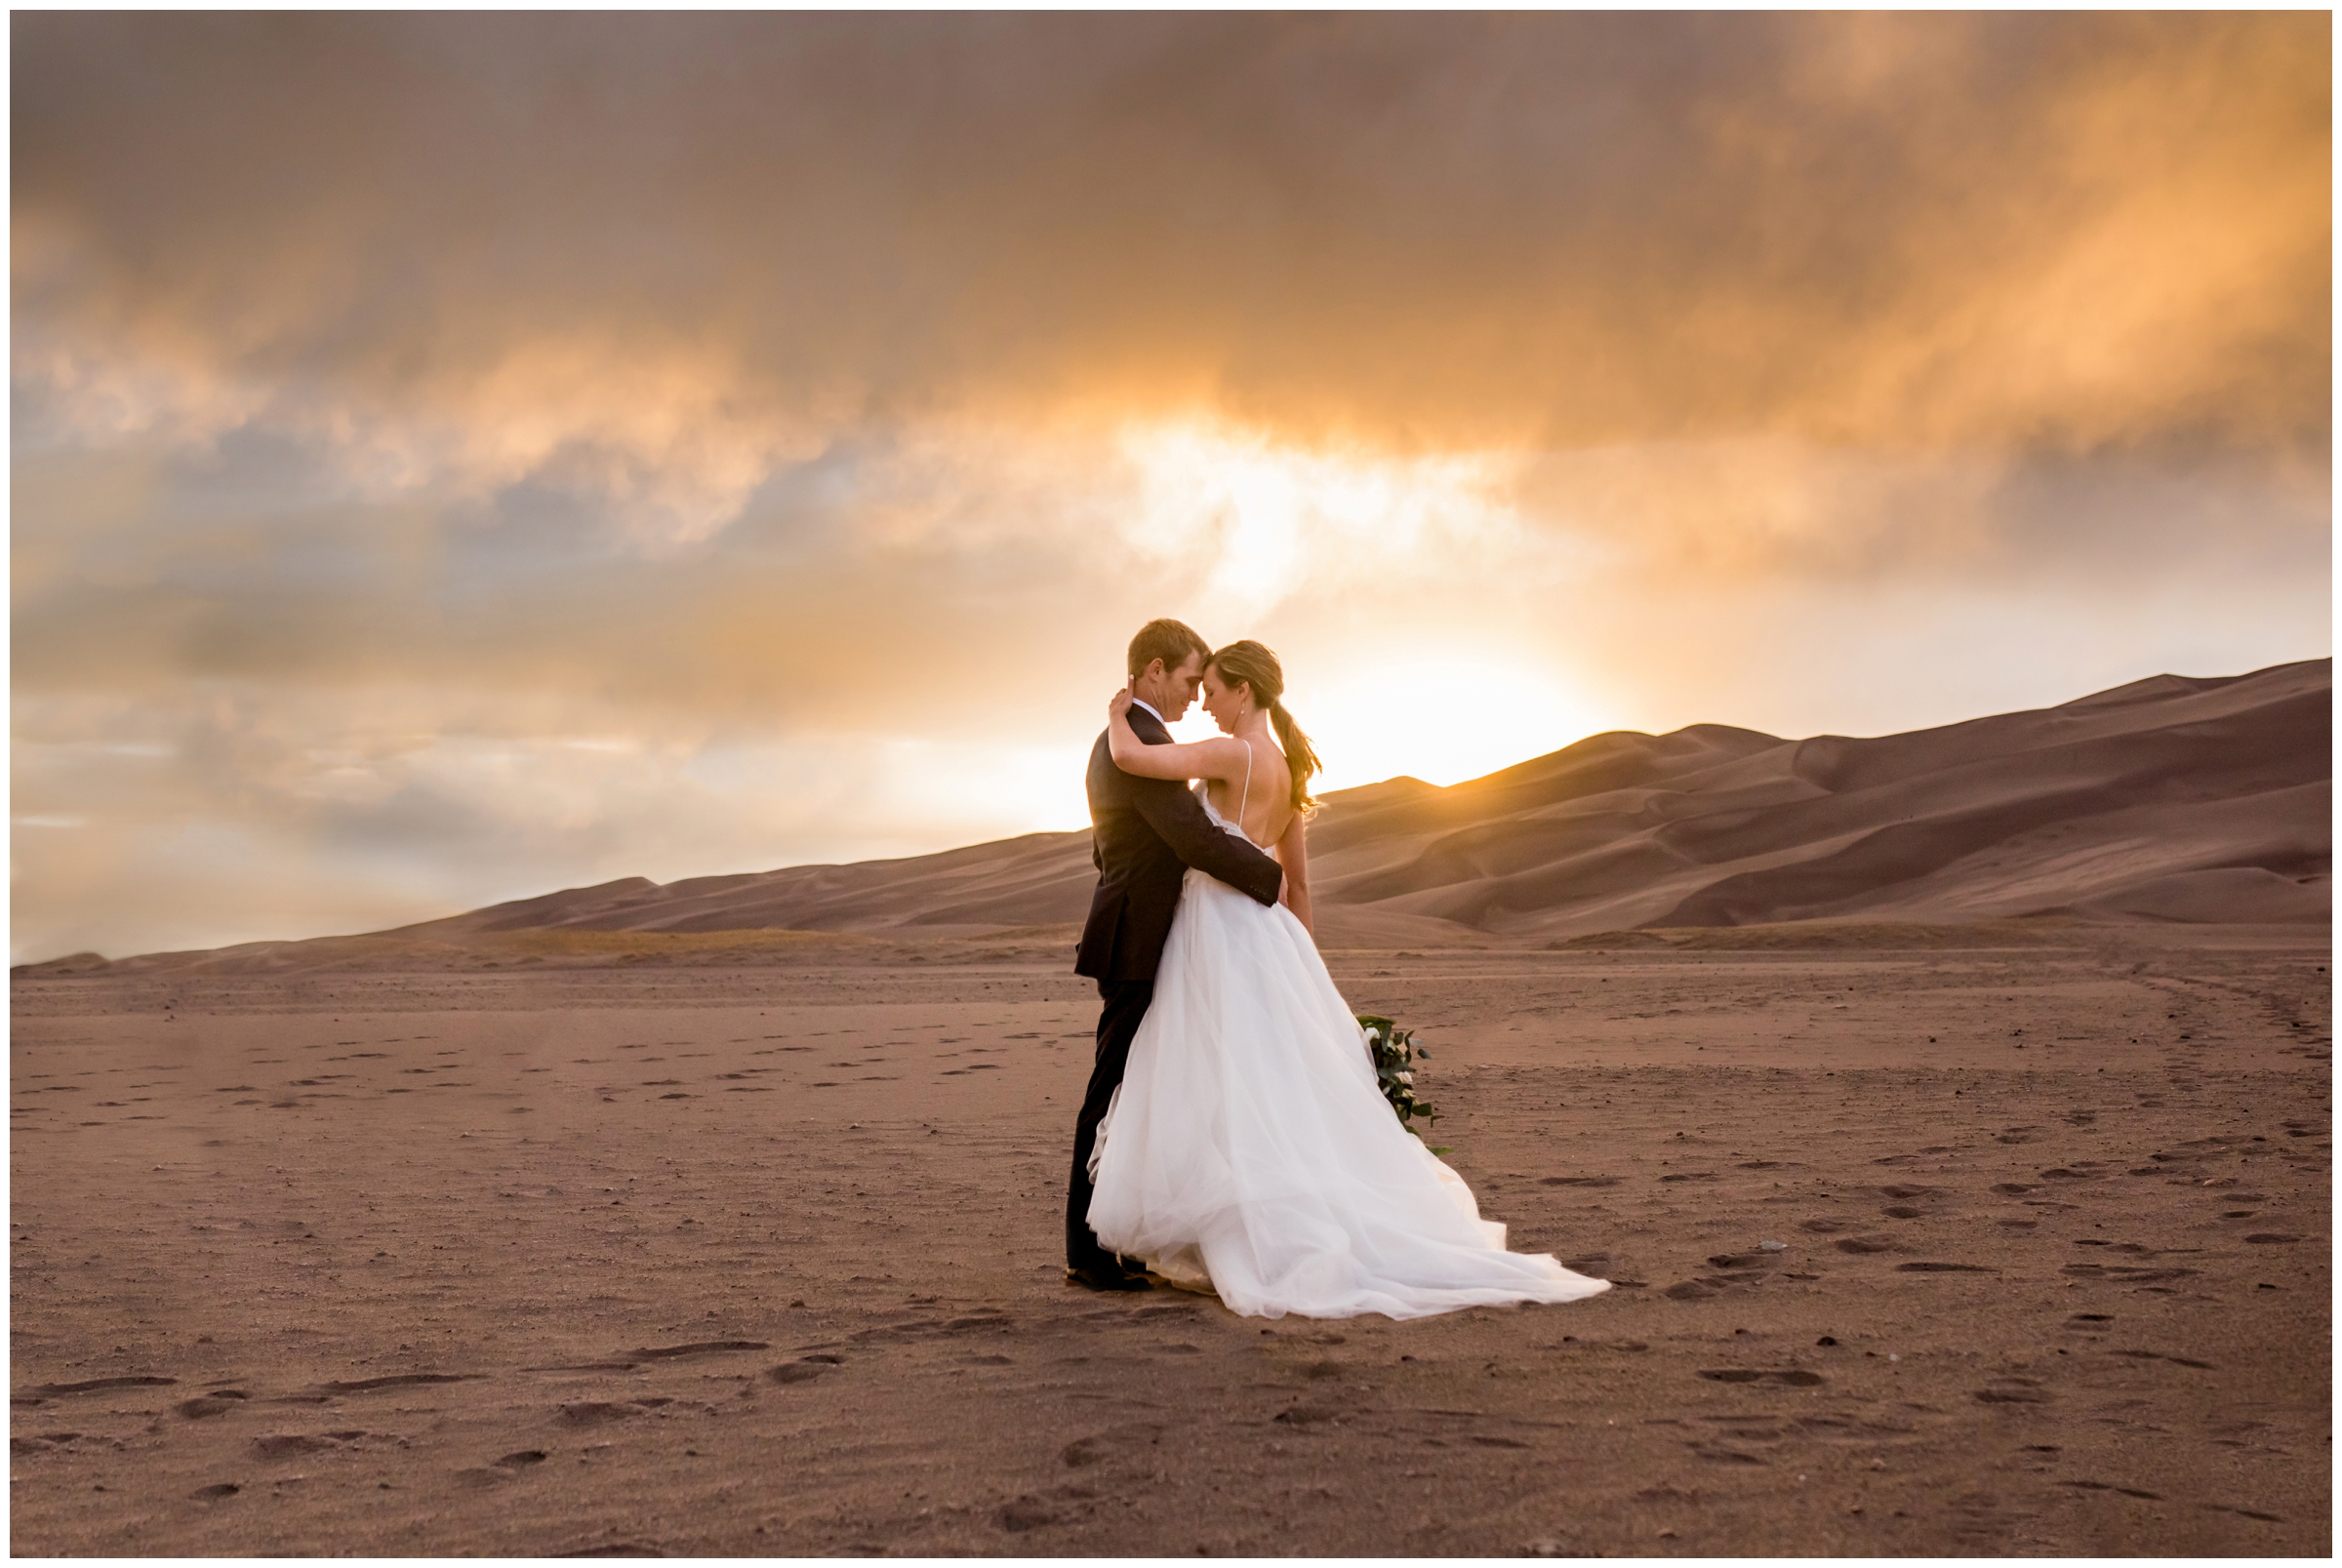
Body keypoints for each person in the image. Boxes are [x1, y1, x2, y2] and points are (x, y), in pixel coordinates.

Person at [1085, 638, 1611, 1319]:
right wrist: (1303, 977)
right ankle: (1262, 1215)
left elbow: (1133, 758)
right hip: (1266, 933)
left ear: (1245, 691)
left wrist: (1116, 711)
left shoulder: (1233, 754)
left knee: (1212, 1077)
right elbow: (1299, 889)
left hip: (1212, 928)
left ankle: (1236, 1230)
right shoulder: (1289, 773)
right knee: (1270, 1085)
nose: (1207, 703)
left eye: (1214, 689)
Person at [1067, 619, 1287, 1291]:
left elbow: (1107, 845)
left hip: (1137, 924)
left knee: (1142, 1083)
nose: (1196, 695)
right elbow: (1190, 835)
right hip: (1139, 933)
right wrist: (1267, 881)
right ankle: (1087, 1246)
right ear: (1154, 669)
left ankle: (1121, 1232)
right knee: (1115, 1084)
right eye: (1192, 679)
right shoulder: (1136, 739)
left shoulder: (1121, 736)